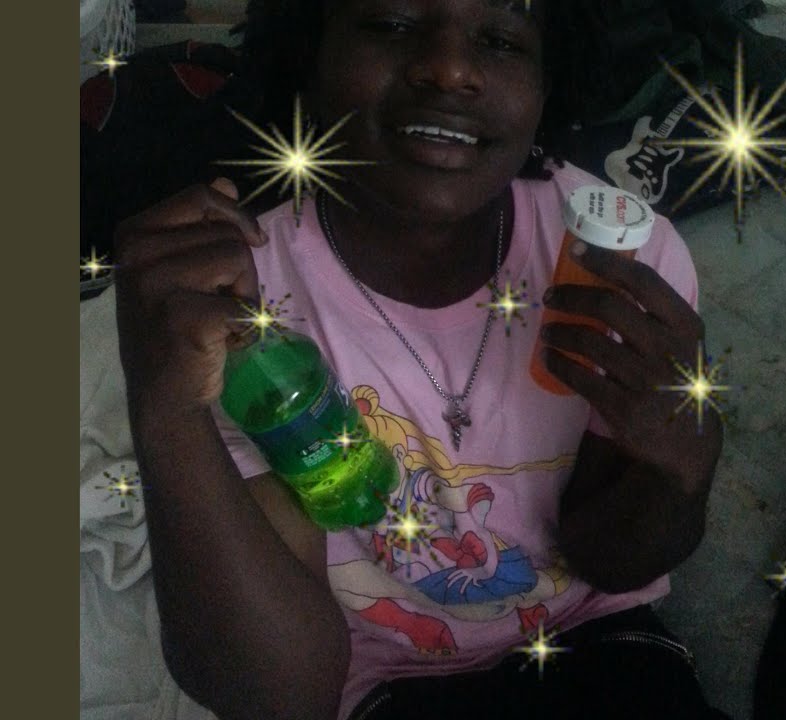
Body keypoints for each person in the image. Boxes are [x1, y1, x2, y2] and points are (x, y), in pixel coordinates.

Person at [113, 1, 725, 718]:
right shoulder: (240, 303)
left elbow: (612, 560)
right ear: (309, 53)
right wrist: (166, 411)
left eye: (500, 40)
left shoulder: (619, 262)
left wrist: (680, 470)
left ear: (549, 83)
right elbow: (282, 697)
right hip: (385, 686)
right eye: (392, 24)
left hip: (600, 646)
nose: (449, 69)